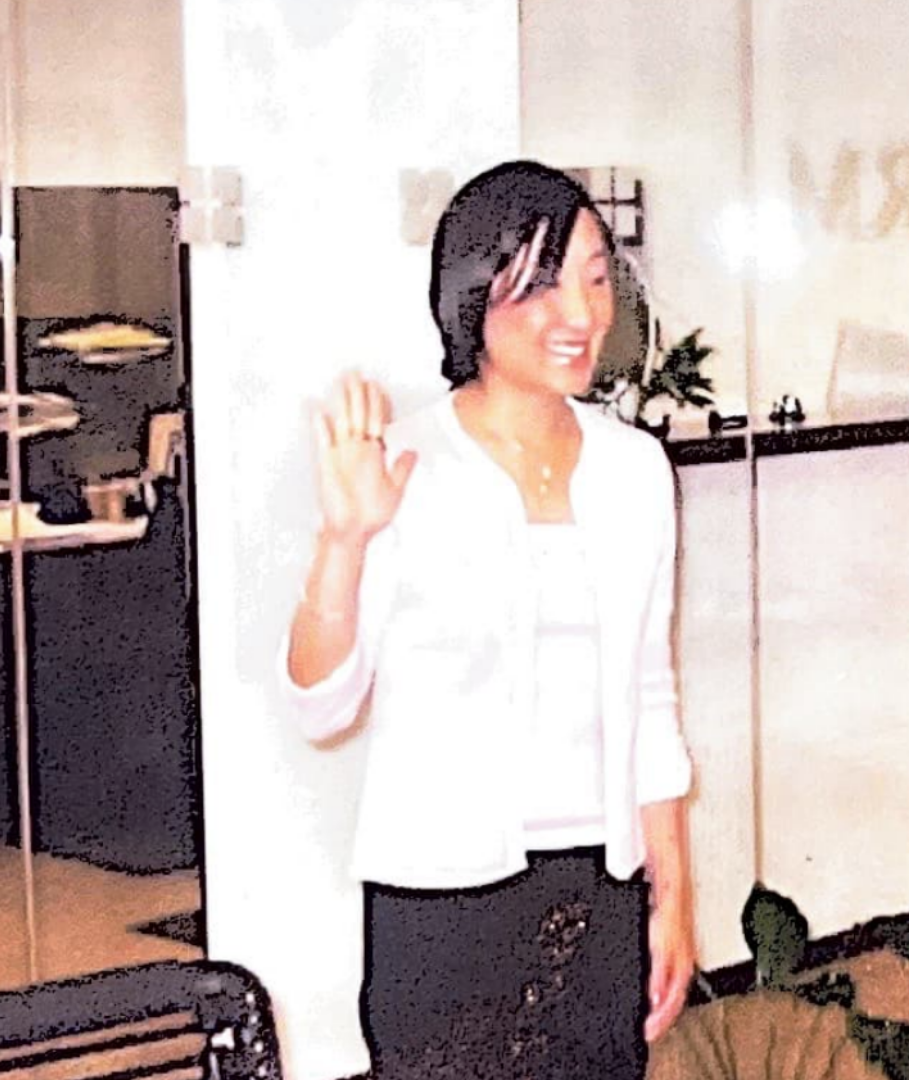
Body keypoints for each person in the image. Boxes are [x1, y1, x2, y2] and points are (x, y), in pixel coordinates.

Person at [281, 161, 697, 1080]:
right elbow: (319, 706)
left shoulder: (634, 471)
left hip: (600, 892)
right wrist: (345, 538)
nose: (582, 314)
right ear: (474, 295)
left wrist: (671, 893)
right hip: (442, 903)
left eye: (595, 277)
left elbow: (651, 694)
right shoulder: (404, 462)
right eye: (543, 282)